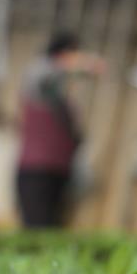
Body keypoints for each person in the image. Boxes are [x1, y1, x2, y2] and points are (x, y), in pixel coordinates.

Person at [16, 31, 105, 228]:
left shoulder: (60, 97)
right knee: (37, 225)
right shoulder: (38, 80)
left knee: (55, 227)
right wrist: (82, 65)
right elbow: (45, 73)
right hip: (36, 169)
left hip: (60, 168)